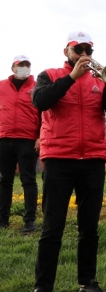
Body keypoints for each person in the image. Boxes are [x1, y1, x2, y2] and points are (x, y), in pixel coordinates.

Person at [24, 32, 106, 292]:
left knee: (89, 226)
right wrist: (71, 78)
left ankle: (88, 282)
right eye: (77, 48)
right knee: (52, 227)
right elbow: (41, 102)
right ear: (66, 51)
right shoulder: (49, 75)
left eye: (88, 48)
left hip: (92, 159)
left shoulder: (99, 79)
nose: (83, 52)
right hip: (58, 159)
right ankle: (42, 290)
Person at [0, 55, 41, 233]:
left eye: (27, 65)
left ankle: (29, 221)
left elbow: (44, 114)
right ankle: (2, 220)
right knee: (4, 181)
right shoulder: (1, 87)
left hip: (28, 140)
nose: (24, 68)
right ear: (13, 68)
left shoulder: (37, 87)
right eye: (21, 65)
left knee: (28, 180)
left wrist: (40, 137)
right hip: (3, 139)